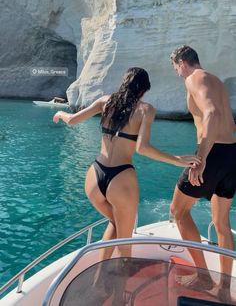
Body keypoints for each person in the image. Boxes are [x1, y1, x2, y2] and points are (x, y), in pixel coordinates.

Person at [53, 67, 200, 302]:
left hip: (94, 176)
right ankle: (120, 297)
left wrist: (60, 113)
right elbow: (142, 148)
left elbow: (72, 120)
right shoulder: (145, 110)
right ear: (143, 90)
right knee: (125, 245)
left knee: (113, 222)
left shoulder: (105, 101)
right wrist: (177, 160)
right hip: (120, 179)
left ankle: (98, 280)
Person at [169, 45, 236, 302]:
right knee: (221, 224)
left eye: (176, 67)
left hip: (214, 154)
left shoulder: (194, 78)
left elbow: (211, 113)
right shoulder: (216, 80)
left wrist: (200, 159)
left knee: (177, 211)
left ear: (182, 62)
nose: (177, 73)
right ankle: (223, 289)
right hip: (231, 154)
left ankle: (204, 276)